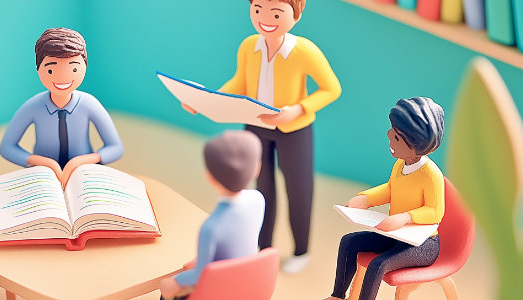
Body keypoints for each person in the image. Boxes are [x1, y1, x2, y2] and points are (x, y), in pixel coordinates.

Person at [181, 0, 341, 273]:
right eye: (257, 10)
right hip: (256, 127)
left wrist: (298, 109)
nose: (265, 18)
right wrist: (209, 100)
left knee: (299, 190)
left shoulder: (305, 51)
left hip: (295, 130)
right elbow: (240, 83)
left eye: (276, 13)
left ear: (296, 15)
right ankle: (262, 248)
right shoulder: (248, 47)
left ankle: (301, 250)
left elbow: (331, 88)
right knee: (260, 188)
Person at [324, 97, 446, 300]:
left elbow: (435, 211)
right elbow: (391, 189)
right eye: (392, 130)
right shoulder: (400, 164)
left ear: (417, 147)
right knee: (349, 242)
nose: (389, 135)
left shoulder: (431, 175)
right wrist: (366, 199)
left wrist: (406, 217)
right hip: (396, 235)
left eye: (397, 137)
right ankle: (337, 296)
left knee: (378, 264)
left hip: (422, 244)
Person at [0, 27, 124, 186]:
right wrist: (42, 162)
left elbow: (116, 147)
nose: (63, 78)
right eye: (50, 70)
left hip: (84, 175)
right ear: (38, 68)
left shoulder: (89, 104)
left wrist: (82, 161)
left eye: (73, 68)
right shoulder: (33, 107)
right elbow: (7, 147)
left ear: (84, 66)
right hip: (43, 177)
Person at [159, 130, 266, 299]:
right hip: (249, 281)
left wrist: (175, 281)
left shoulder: (212, 227)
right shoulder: (258, 199)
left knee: (167, 291)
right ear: (257, 169)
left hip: (221, 291)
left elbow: (199, 275)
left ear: (209, 177)